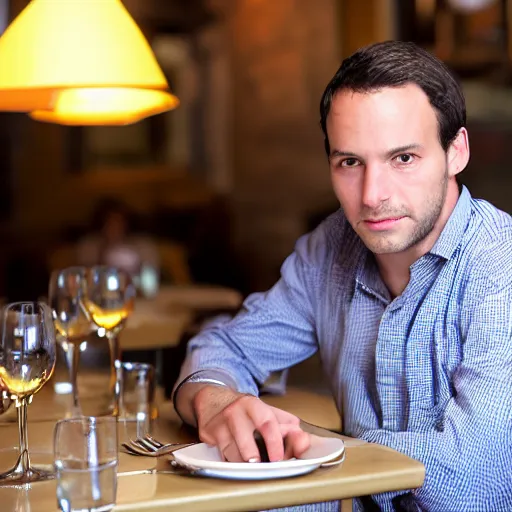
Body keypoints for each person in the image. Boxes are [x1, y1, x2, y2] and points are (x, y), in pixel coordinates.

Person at [172, 40, 512, 512]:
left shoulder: (501, 267)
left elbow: (476, 483)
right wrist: (216, 403)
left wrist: (316, 447)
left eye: (403, 159)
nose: (372, 195)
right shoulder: (328, 250)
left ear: (457, 152)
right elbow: (223, 347)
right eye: (350, 162)